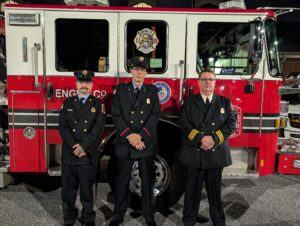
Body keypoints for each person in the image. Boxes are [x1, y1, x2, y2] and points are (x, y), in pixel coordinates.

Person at [179, 69, 236, 226]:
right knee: (191, 192)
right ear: (198, 82)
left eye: (211, 79)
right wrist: (200, 139)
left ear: (215, 82)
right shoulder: (189, 102)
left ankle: (218, 221)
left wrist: (214, 139)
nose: (207, 82)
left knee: (215, 192)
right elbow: (183, 123)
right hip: (194, 152)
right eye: (204, 79)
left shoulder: (224, 102)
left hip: (215, 153)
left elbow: (231, 124)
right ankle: (189, 220)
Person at [109, 56, 160, 226]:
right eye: (135, 69)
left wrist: (141, 136)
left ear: (146, 72)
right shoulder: (121, 90)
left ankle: (149, 216)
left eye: (142, 69)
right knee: (122, 181)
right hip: (126, 142)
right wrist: (131, 136)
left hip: (145, 143)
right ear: (131, 71)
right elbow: (116, 115)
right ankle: (118, 215)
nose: (139, 72)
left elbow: (155, 115)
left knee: (148, 182)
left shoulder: (152, 91)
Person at [59, 70, 106, 226]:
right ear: (76, 84)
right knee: (68, 191)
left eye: (87, 83)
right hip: (70, 153)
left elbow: (98, 128)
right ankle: (69, 218)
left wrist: (83, 146)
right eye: (81, 82)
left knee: (87, 191)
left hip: (86, 153)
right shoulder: (67, 103)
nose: (84, 85)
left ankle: (88, 217)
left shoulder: (98, 104)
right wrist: (75, 146)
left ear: (92, 85)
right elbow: (63, 127)